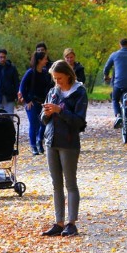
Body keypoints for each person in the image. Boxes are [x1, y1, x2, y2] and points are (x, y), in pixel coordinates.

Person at [40, 60, 88, 237]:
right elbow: (43, 119)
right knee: (56, 184)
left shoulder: (79, 92)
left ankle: (71, 223)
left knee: (70, 183)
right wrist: (46, 114)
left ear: (68, 75)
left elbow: (79, 121)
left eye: (59, 78)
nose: (57, 82)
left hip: (68, 142)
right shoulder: (53, 92)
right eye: (54, 79)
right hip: (51, 141)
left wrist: (60, 111)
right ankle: (58, 222)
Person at [19, 51, 53, 155]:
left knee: (43, 123)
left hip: (43, 102)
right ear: (39, 60)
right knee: (34, 125)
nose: (46, 61)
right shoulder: (30, 72)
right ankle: (33, 146)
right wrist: (27, 100)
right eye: (45, 59)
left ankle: (39, 141)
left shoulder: (44, 73)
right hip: (32, 103)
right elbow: (22, 87)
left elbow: (48, 87)